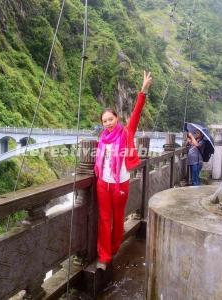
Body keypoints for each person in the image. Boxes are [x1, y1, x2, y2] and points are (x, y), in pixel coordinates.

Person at [94, 71, 152, 270]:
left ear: (117, 118)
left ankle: (114, 247)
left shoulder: (126, 132)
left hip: (121, 184)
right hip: (103, 183)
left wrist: (143, 91)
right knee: (104, 219)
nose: (108, 123)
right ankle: (104, 257)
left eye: (110, 119)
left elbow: (136, 113)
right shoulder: (102, 139)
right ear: (102, 124)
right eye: (104, 121)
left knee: (118, 219)